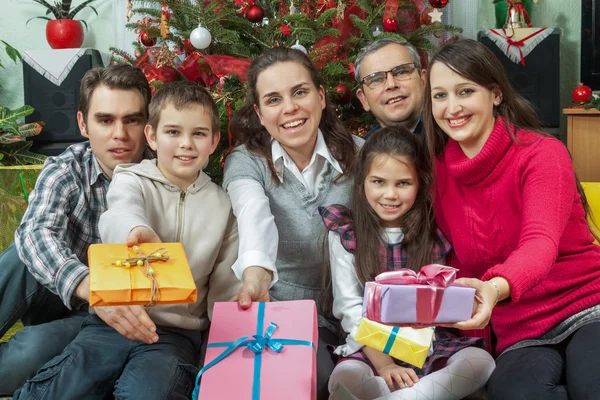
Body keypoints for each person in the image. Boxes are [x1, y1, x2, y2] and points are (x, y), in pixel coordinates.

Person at [14, 80, 242, 399]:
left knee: (150, 392)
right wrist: (135, 230)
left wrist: (223, 352)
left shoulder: (223, 206)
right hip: (111, 322)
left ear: (214, 140)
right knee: (63, 388)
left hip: (175, 334)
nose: (186, 144)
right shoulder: (131, 178)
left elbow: (224, 290)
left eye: (199, 134)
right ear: (152, 135)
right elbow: (121, 210)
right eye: (173, 132)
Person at [424, 38, 600, 400]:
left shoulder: (542, 154)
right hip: (519, 330)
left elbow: (540, 243)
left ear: (496, 95)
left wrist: (494, 288)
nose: (451, 107)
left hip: (587, 304)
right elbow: (454, 262)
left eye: (465, 91)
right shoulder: (437, 174)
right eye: (439, 96)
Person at [0, 63, 152, 395]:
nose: (120, 135)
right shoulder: (67, 169)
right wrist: (87, 284)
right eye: (105, 120)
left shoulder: (164, 175)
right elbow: (35, 231)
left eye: (132, 120)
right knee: (19, 255)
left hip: (103, 321)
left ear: (147, 125)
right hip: (61, 291)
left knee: (27, 354)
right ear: (84, 124)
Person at [222, 47, 362, 400]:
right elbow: (253, 212)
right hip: (279, 310)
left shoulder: (362, 155)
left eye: (299, 92)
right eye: (273, 99)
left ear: (321, 96)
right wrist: (256, 273)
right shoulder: (246, 161)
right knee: (305, 381)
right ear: (259, 112)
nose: (289, 108)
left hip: (353, 309)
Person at [321, 127, 495, 400]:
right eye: (378, 182)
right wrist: (385, 364)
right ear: (362, 182)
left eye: (403, 183)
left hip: (423, 342)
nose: (390, 195)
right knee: (344, 379)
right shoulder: (347, 233)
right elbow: (350, 310)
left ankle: (405, 396)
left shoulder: (430, 233)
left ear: (420, 184)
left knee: (481, 362)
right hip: (371, 347)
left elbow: (436, 303)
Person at [354, 38, 426, 139]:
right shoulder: (361, 152)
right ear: (364, 99)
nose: (391, 84)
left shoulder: (452, 134)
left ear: (423, 81)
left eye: (401, 72)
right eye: (377, 79)